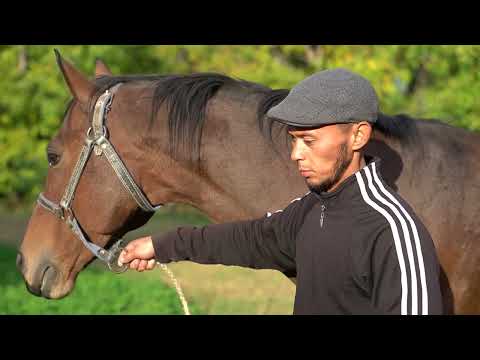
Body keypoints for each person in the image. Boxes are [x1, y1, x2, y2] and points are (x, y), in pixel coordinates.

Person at [118, 68, 444, 315]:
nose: (295, 154)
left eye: (310, 141)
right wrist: (160, 245)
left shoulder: (392, 232)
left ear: (358, 136)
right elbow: (251, 238)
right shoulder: (310, 211)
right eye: (294, 140)